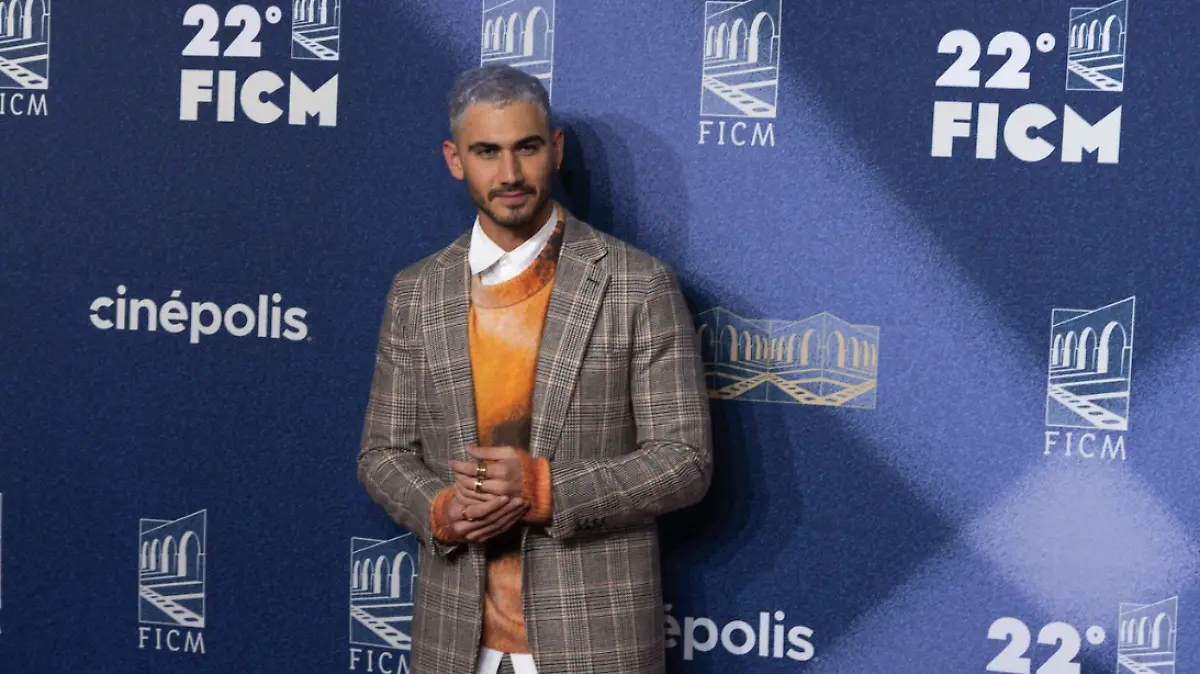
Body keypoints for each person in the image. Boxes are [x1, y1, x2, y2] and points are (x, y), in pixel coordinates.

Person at [357, 63, 713, 674]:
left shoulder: (638, 284)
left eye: (526, 148)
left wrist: (546, 490)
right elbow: (382, 454)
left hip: (595, 645)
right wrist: (439, 510)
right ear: (455, 159)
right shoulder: (417, 292)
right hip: (454, 643)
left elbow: (685, 461)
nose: (510, 174)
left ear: (555, 149)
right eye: (486, 152)